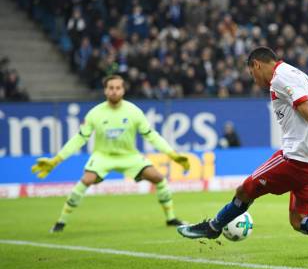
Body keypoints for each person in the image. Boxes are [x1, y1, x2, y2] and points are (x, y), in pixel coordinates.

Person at [177, 47, 308, 257]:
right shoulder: (296, 73)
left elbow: (305, 109)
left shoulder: (280, 78)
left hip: (296, 161)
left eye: (251, 74)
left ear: (257, 64)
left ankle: (213, 227)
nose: (254, 80)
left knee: (244, 190)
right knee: (299, 220)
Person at [32, 75, 191, 232]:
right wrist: (56, 160)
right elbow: (79, 139)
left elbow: (152, 135)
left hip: (129, 156)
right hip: (103, 156)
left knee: (158, 178)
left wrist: (172, 154)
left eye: (118, 88)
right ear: (105, 91)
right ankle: (61, 222)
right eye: (111, 88)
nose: (114, 91)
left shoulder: (134, 111)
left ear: (123, 90)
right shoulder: (95, 113)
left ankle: (171, 218)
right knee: (86, 180)